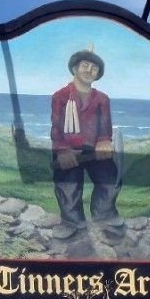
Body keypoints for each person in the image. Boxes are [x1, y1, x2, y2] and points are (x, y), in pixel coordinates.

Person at [49, 48, 124, 239]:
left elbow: (105, 124)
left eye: (94, 68)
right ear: (75, 68)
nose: (89, 70)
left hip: (94, 149)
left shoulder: (102, 99)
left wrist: (104, 141)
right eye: (85, 65)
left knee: (110, 178)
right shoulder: (61, 96)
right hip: (68, 149)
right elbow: (57, 127)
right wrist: (62, 151)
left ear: (98, 74)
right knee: (68, 184)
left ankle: (104, 215)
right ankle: (72, 221)